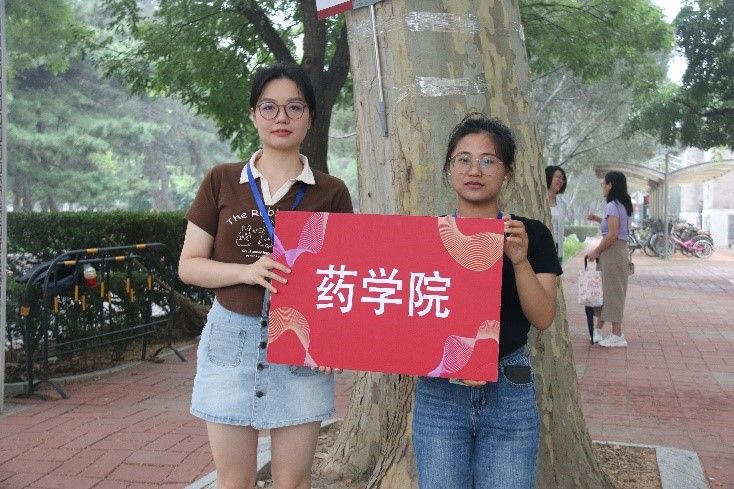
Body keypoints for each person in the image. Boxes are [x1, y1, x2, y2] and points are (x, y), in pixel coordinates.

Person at [179, 63, 353, 489]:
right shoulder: (222, 180)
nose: (281, 118)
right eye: (269, 107)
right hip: (231, 340)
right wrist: (246, 270)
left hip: (299, 344)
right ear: (253, 115)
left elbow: (342, 276)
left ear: (310, 117)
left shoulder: (331, 191)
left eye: (294, 107)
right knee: (234, 480)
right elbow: (189, 265)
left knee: (292, 481)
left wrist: (332, 339)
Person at [412, 113, 562, 489]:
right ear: (449, 169)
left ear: (507, 172)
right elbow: (406, 315)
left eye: (488, 160)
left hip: (509, 389)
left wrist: (520, 260)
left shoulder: (532, 235)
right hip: (440, 392)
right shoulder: (425, 236)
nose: (474, 170)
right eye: (463, 159)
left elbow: (543, 316)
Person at [585, 171, 632, 348]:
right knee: (607, 292)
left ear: (611, 185)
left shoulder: (612, 205)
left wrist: (596, 251)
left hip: (612, 252)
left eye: (604, 183)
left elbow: (612, 235)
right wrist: (598, 219)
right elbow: (614, 228)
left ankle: (617, 334)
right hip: (617, 252)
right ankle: (598, 330)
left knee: (612, 293)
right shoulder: (622, 204)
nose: (602, 187)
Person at [545, 165, 567, 263]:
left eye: (562, 178)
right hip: (541, 246)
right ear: (548, 177)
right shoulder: (539, 200)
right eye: (558, 177)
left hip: (558, 247)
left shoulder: (562, 203)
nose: (561, 180)